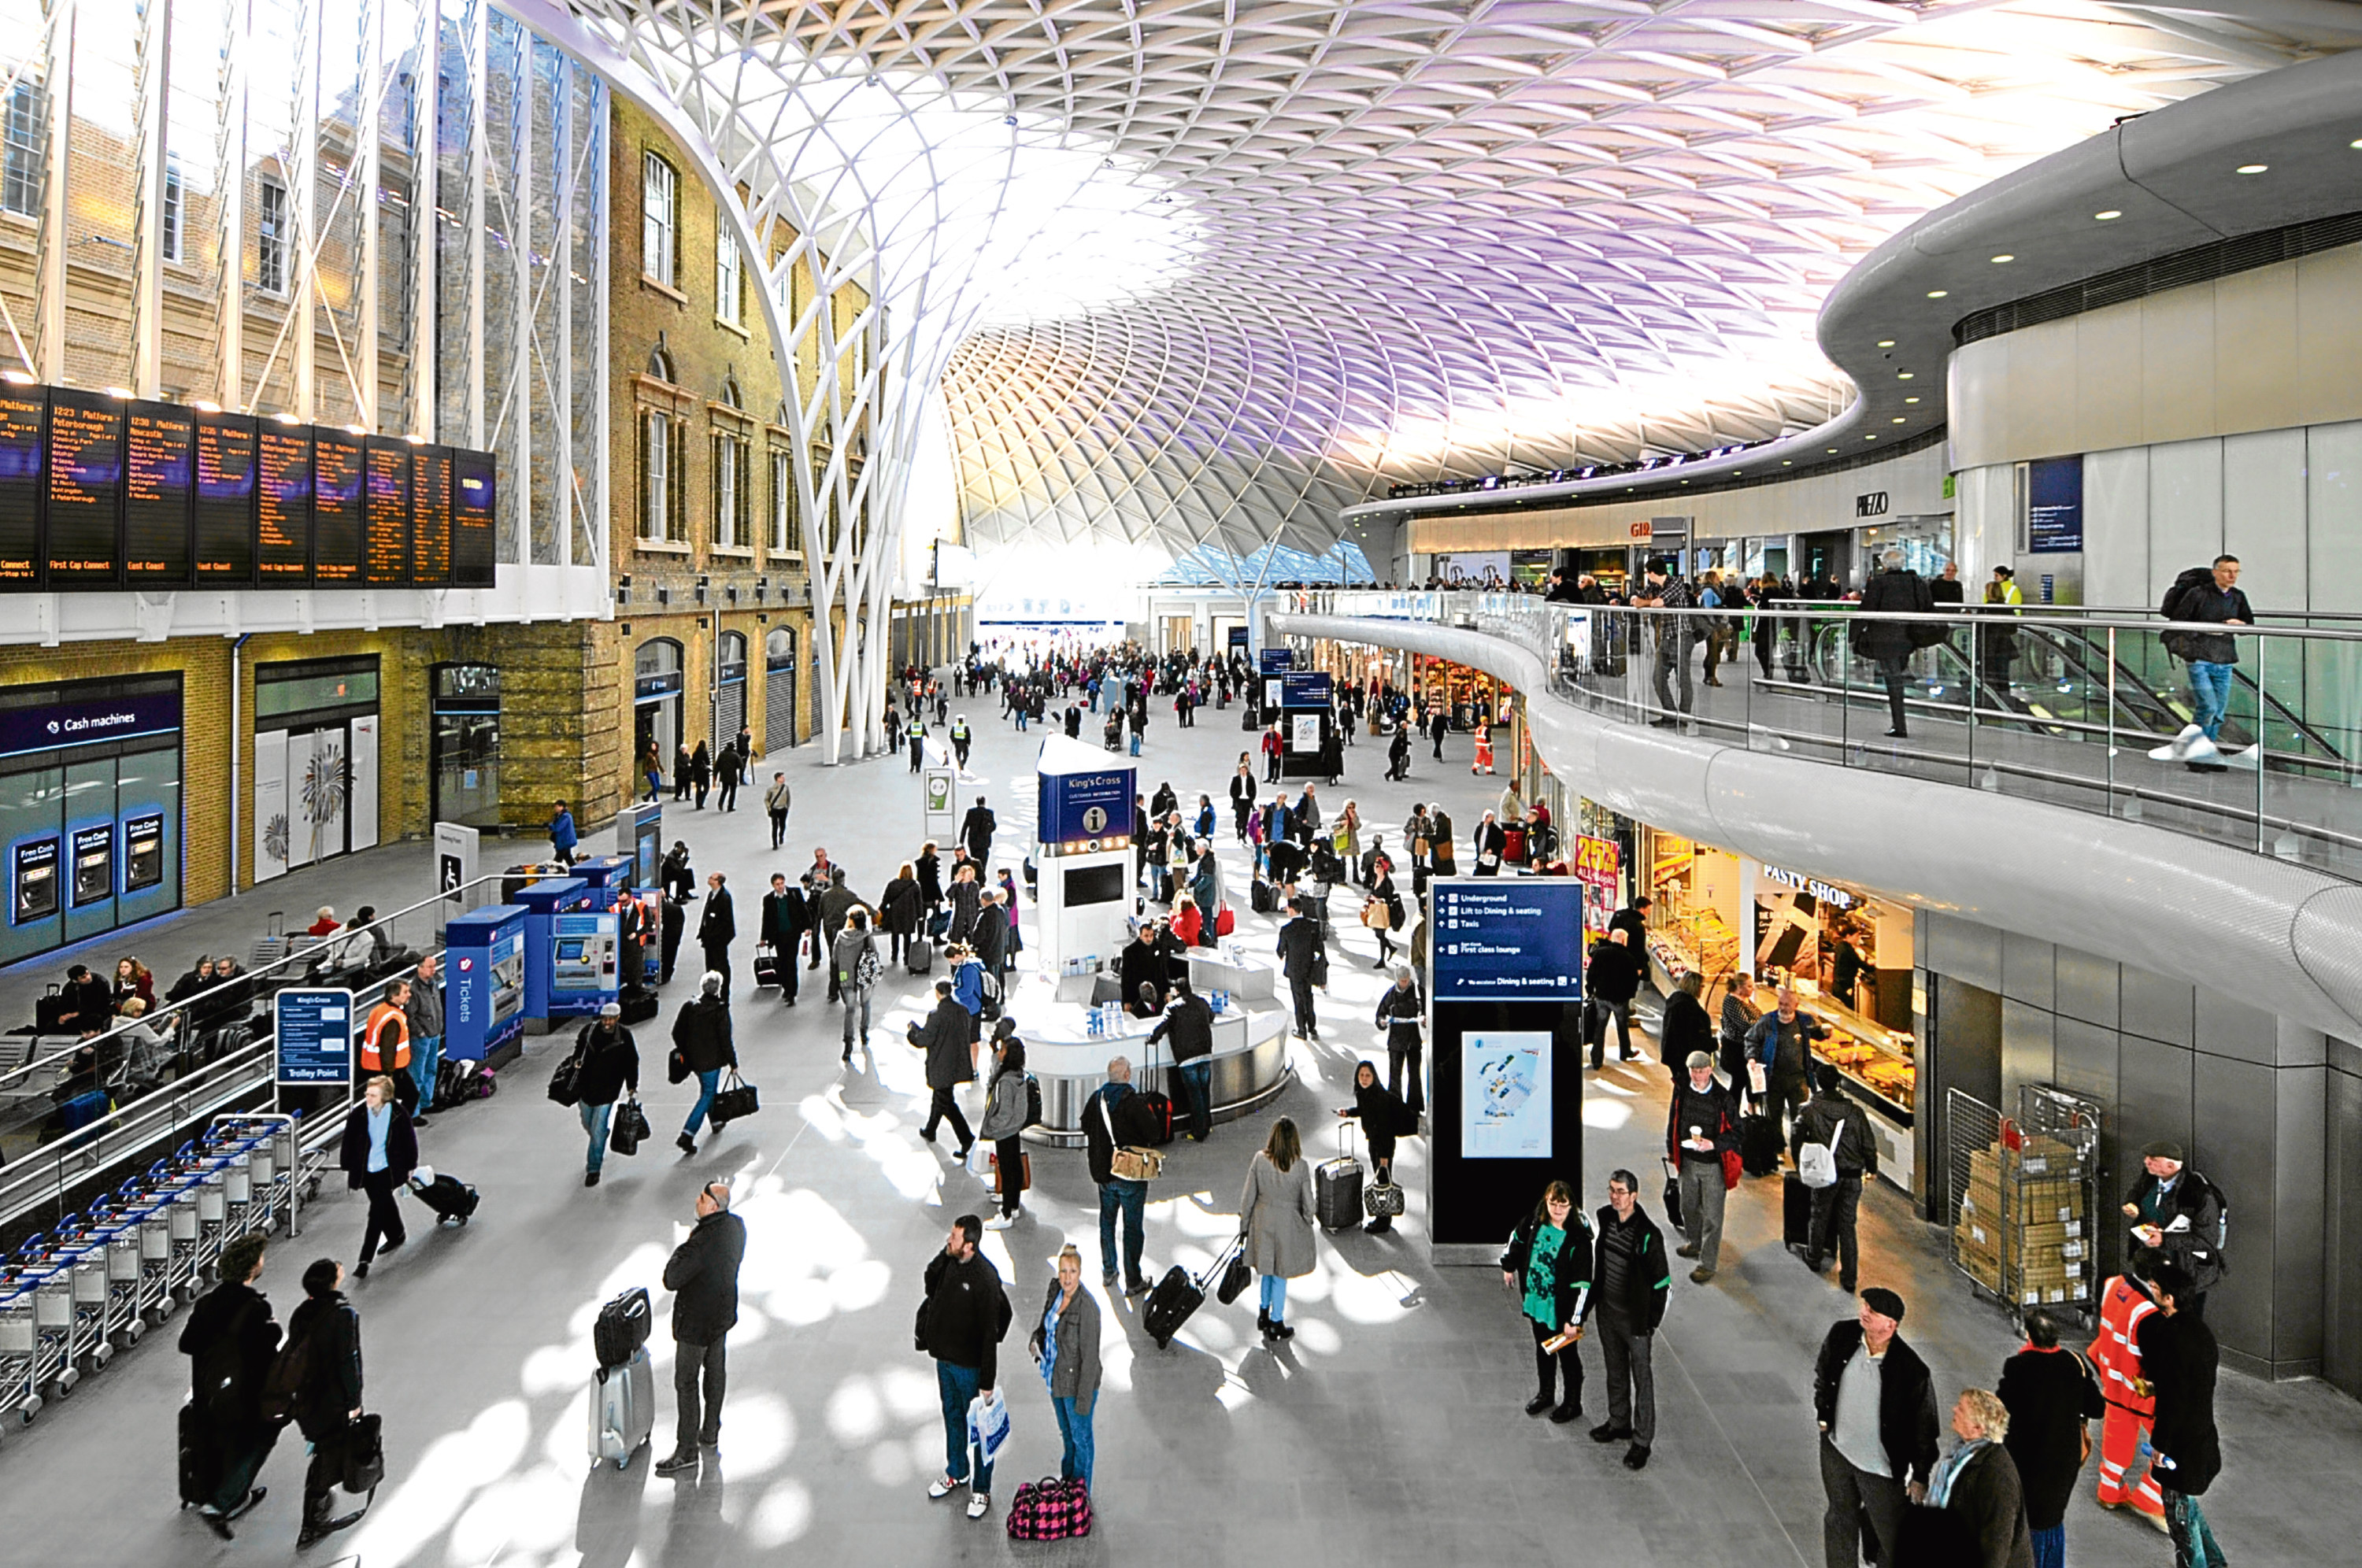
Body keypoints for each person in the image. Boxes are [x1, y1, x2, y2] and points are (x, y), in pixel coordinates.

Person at [1814, 1289, 1939, 1568]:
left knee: (1892, 1537)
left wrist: (1920, 1475)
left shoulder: (1912, 1371)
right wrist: (1823, 1417)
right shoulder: (1842, 1335)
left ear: (1890, 1325)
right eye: (1865, 1306)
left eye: (1872, 1311)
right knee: (1839, 1518)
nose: (1864, 1312)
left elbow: (1925, 1428)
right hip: (1837, 1452)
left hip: (1880, 1471)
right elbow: (1823, 1375)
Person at [179, 1231, 281, 1539]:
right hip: (244, 1393)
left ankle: (211, 1491)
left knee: (217, 1440)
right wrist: (273, 1334)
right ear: (252, 1268)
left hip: (208, 1391)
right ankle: (224, 1503)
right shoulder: (254, 1308)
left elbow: (188, 1343)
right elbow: (265, 1356)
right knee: (263, 1436)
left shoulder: (208, 1303)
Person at [649, 1178, 750, 1477]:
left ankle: (686, 1450)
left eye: (702, 1197)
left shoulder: (699, 1243)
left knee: (687, 1382)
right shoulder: (736, 1227)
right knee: (716, 1372)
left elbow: (672, 1278)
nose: (697, 1200)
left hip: (695, 1324)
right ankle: (710, 1431)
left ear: (712, 1206)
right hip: (721, 1316)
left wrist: (684, 1245)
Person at [919, 1214, 1013, 1521]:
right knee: (952, 1416)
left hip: (970, 1367)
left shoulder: (986, 1278)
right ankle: (957, 1471)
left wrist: (987, 1379)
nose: (949, 1240)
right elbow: (929, 1283)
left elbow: (990, 1333)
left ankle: (981, 1489)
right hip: (945, 1360)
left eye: (955, 1238)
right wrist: (944, 1255)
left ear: (969, 1245)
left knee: (980, 1428)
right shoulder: (949, 1261)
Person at [1999, 1310, 2105, 1568]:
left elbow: (2001, 1409)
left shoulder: (2018, 1367)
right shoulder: (2074, 1363)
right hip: (2063, 1460)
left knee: (2030, 1521)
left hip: (2026, 1460)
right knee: (2052, 1518)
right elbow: (2097, 1408)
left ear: (2028, 1336)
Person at [1582, 1169, 1669, 1469]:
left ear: (1634, 1195)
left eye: (1620, 1192)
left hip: (1635, 1322)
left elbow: (1662, 1284)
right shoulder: (1606, 1219)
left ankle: (1642, 1441)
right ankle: (1618, 1421)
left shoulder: (1648, 1235)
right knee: (1615, 1371)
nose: (1614, 1197)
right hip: (1608, 1313)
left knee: (1642, 1380)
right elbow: (1600, 1268)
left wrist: (1650, 1324)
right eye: (1611, 1190)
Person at [2140, 1262, 2225, 1568]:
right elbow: (2189, 1385)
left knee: (2181, 1525)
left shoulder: (2172, 1339)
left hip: (2181, 1450)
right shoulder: (2201, 1332)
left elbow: (2174, 1402)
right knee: (2188, 1509)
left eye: (2154, 1289)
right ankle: (2216, 1562)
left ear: (2169, 1298)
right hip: (2202, 1438)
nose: (2150, 1292)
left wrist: (2160, 1446)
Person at [1908, 1389, 2036, 1568]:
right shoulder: (1963, 1452)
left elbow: (1996, 1549)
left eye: (1961, 1409)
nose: (1954, 1410)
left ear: (1977, 1428)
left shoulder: (1996, 1476)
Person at [287, 1258, 366, 1548]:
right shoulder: (343, 1315)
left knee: (323, 1446)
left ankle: (319, 1501)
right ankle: (312, 1520)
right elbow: (349, 1361)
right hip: (332, 1398)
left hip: (306, 1397)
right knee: (329, 1454)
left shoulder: (300, 1314)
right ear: (333, 1281)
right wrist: (355, 1400)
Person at [1499, 1179, 1590, 1423]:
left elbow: (1582, 1285)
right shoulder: (1533, 1222)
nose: (1557, 1210)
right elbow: (1515, 1240)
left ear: (1571, 1206)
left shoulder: (1578, 1240)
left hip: (1563, 1312)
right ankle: (1546, 1394)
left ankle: (1573, 1403)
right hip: (1538, 1303)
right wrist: (1508, 1266)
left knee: (1568, 1356)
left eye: (1563, 1205)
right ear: (1546, 1202)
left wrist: (1575, 1319)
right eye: (1553, 1204)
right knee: (1544, 1348)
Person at [2088, 1267, 2168, 1528]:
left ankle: (2110, 1492)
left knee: (2117, 1439)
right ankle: (2149, 1497)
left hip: (2113, 1379)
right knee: (2172, 1439)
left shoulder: (2113, 1284)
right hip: (2140, 1390)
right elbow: (2156, 1362)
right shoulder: (2148, 1314)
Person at [1794, 1063, 1878, 1294]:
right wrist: (1872, 1168)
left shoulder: (1809, 1110)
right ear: (1839, 1083)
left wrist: (1800, 1164)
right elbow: (1868, 1145)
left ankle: (1814, 1256)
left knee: (1819, 1215)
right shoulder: (1855, 1112)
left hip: (1824, 1173)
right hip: (1852, 1175)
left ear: (1819, 1083)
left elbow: (1796, 1136)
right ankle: (1849, 1277)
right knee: (1847, 1225)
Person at [2121, 1141, 2226, 1321]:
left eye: (2153, 1159)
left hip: (2185, 1273)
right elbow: (2136, 1192)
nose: (2146, 1162)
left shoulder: (2198, 1195)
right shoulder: (2149, 1178)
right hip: (2153, 1269)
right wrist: (2132, 1204)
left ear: (2170, 1165)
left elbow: (2206, 1241)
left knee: (2183, 1326)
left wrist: (2164, 1240)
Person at [1028, 1244, 1102, 1493]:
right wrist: (1036, 1339)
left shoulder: (1088, 1309)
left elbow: (1090, 1361)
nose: (1066, 1278)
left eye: (1072, 1272)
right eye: (1063, 1271)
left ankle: (1081, 1494)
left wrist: (1083, 1403)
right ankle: (1068, 1483)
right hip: (1054, 1378)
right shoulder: (1055, 1292)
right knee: (1067, 1435)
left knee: (1081, 1438)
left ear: (1080, 1273)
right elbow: (1045, 1324)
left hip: (1076, 1385)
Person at [2168, 554, 2252, 766]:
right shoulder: (2198, 594)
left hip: (2225, 659)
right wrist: (2205, 630)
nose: (2232, 576)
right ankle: (2195, 753)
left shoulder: (2238, 597)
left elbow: (2249, 624)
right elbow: (2179, 622)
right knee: (2208, 707)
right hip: (2200, 658)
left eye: (2236, 571)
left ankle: (2207, 753)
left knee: (2218, 711)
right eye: (2227, 571)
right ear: (2215, 572)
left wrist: (2239, 625)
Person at [1239, 1117, 1317, 1343]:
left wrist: (1244, 1226)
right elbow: (1308, 1203)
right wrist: (1308, 1220)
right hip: (1287, 1223)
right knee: (1281, 1275)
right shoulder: (1300, 1166)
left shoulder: (1259, 1160)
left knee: (1267, 1269)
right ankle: (1276, 1321)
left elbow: (1248, 1197)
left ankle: (1263, 1313)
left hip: (1262, 1220)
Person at [1667, 1052, 1739, 1282]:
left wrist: (1714, 1145)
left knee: (1713, 1217)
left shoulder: (1723, 1098)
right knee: (1687, 1207)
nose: (1697, 1076)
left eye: (1701, 1071)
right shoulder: (1682, 1091)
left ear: (1711, 1069)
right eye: (1693, 1071)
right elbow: (1673, 1120)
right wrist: (1671, 1147)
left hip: (1713, 1166)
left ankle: (1707, 1264)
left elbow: (1738, 1133)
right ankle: (1695, 1242)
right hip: (1688, 1162)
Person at [1083, 1056, 1151, 1295]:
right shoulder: (1132, 1101)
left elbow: (1085, 1126)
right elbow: (1153, 1129)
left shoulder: (1096, 1099)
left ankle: (1109, 1269)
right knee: (1132, 1227)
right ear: (1126, 1076)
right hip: (1130, 1174)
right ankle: (1133, 1280)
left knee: (1107, 1221)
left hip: (1103, 1172)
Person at [339, 1074, 415, 1278]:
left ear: (386, 1096)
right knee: (383, 1203)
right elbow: (349, 1140)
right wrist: (346, 1164)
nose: (368, 1098)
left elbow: (409, 1140)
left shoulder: (398, 1114)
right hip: (366, 1169)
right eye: (367, 1094)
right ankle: (396, 1233)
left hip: (387, 1169)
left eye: (373, 1094)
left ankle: (364, 1259)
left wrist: (410, 1165)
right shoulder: (359, 1114)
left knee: (376, 1212)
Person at [1853, 550, 1934, 739]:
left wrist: (1853, 633)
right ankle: (1899, 722)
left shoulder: (1879, 583)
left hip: (1884, 640)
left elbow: (1867, 609)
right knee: (1898, 677)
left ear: (1885, 565)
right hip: (1909, 639)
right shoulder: (1916, 582)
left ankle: (1900, 725)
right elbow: (1927, 606)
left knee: (1893, 681)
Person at [1748, 985, 1830, 1147]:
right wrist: (1751, 1057)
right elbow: (1752, 1040)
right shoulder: (1767, 1021)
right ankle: (1777, 1148)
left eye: (1787, 1004)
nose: (1783, 1008)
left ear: (1796, 1006)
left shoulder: (1804, 1021)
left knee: (1800, 1116)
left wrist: (1826, 1031)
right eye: (1781, 1004)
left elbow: (1819, 1033)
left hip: (1798, 1080)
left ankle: (1798, 1148)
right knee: (1773, 1116)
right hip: (1773, 1078)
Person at [572, 1001, 640, 1187]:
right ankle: (600, 1136)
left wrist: (632, 1085)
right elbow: (579, 1049)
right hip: (586, 1086)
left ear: (618, 1018)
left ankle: (593, 1169)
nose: (607, 1022)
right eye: (604, 1018)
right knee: (588, 1122)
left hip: (609, 1089)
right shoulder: (589, 1031)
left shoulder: (624, 1036)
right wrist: (577, 1060)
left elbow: (631, 1062)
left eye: (611, 1019)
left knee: (598, 1128)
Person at [1336, 1061, 1408, 1235]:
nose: (1364, 1079)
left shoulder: (1379, 1097)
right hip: (1373, 1141)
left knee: (1383, 1182)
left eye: (1368, 1075)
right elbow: (1364, 1110)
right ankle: (1383, 1216)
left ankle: (1383, 1220)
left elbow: (1386, 1128)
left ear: (1374, 1077)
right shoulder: (1364, 1094)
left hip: (1382, 1145)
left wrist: (1384, 1155)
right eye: (1361, 1075)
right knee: (1381, 1180)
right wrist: (1349, 1112)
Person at [671, 973, 737, 1155]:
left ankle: (715, 1121)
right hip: (712, 1061)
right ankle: (688, 1133)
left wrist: (686, 1050)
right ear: (718, 988)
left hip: (693, 1060)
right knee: (707, 1094)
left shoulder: (690, 1006)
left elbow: (676, 1032)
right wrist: (733, 1061)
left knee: (708, 1090)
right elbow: (725, 1039)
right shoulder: (719, 1010)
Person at [910, 978, 977, 1155]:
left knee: (947, 1103)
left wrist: (913, 1032)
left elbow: (924, 1040)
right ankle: (930, 1130)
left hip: (941, 1065)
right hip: (958, 1062)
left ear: (938, 994)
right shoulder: (963, 1011)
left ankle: (967, 1139)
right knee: (941, 1097)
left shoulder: (936, 1015)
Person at [976, 1023, 1032, 1230]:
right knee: (1014, 1167)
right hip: (1014, 1129)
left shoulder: (1006, 1082)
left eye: (1002, 1050)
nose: (999, 1053)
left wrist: (991, 1125)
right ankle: (1013, 1204)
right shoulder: (1018, 1076)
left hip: (1004, 1130)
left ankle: (1006, 1213)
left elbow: (1004, 1111)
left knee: (1008, 1170)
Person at [1632, 558, 1700, 726]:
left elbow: (1657, 602)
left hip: (1681, 636)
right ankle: (1670, 714)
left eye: (1648, 573)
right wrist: (1649, 603)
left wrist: (1648, 604)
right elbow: (1635, 600)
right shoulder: (1655, 587)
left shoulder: (1675, 583)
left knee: (1683, 679)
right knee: (1658, 678)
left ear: (1652, 573)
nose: (1647, 577)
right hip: (1665, 637)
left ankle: (1683, 718)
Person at [1148, 979, 1215, 1142]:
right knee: (1204, 1091)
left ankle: (1199, 1132)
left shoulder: (1172, 1007)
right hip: (1205, 1053)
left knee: (1195, 1095)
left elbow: (1161, 1026)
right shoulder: (1201, 1002)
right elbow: (1211, 1017)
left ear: (1176, 991)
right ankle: (1207, 1125)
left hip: (1187, 1057)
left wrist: (1152, 1039)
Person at [1585, 929, 1642, 1068]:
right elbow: (1633, 981)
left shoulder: (1600, 953)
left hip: (1602, 996)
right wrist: (1629, 996)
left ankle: (1597, 1059)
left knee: (1600, 1027)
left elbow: (1591, 973)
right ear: (1624, 940)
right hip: (1619, 999)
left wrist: (1590, 990)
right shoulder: (1628, 957)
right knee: (1622, 1026)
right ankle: (1625, 1052)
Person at [1375, 967, 1425, 1117]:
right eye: (1402, 981)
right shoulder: (1391, 994)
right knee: (1395, 1074)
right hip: (1396, 1041)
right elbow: (1380, 1013)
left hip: (1413, 1040)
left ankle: (1414, 1107)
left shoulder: (1418, 992)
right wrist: (1382, 1022)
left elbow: (1427, 1010)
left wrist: (1425, 1020)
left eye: (1407, 980)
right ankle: (1395, 1105)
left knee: (1414, 1074)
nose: (1405, 983)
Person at [833, 908, 880, 1060]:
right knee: (865, 1004)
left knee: (849, 1009)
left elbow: (835, 958)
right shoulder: (867, 937)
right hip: (864, 977)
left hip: (846, 976)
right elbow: (875, 954)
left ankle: (848, 1043)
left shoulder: (841, 937)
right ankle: (864, 1033)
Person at [403, 956, 444, 1115]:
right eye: (429, 967)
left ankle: (427, 1102)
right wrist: (420, 1032)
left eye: (434, 967)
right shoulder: (413, 990)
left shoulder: (434, 985)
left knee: (431, 1069)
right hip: (421, 1037)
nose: (433, 970)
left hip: (434, 1033)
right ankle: (414, 1111)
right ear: (419, 968)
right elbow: (410, 1015)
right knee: (417, 1074)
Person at [1276, 903, 1324, 1042]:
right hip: (1309, 968)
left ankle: (1301, 1029)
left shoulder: (1286, 930)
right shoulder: (1312, 926)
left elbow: (1280, 951)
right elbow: (1319, 948)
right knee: (1308, 996)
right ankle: (1312, 1027)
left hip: (1294, 970)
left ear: (1291, 910)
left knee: (1298, 999)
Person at [759, 872, 805, 1008]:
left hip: (792, 934)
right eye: (777, 884)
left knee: (791, 963)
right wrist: (764, 937)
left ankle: (792, 992)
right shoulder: (768, 899)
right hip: (778, 936)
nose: (780, 887)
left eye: (781, 883)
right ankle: (786, 987)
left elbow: (803, 909)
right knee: (782, 963)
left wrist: (807, 926)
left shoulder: (794, 893)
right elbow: (766, 919)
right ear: (773, 885)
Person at [1719, 972, 1764, 1108]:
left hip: (1747, 1049)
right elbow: (1745, 1025)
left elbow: (1759, 1018)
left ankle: (1751, 1110)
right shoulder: (1732, 1001)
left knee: (1748, 1081)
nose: (1753, 989)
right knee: (1739, 1081)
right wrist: (1762, 1026)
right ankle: (1731, 1113)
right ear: (1739, 987)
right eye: (1749, 986)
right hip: (1736, 1050)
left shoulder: (1746, 1000)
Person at [1658, 970, 1713, 1079]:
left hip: (1674, 1055)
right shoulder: (1689, 1008)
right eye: (1702, 986)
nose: (1703, 990)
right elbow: (1693, 1037)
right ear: (1695, 987)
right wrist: (1713, 1044)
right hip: (1685, 1058)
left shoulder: (1676, 1001)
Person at [1980, 564, 2024, 695]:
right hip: (2004, 644)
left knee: (1989, 674)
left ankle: (1991, 697)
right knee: (2003, 673)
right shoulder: (2006, 606)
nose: (1995, 577)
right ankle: (2004, 696)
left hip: (1989, 646)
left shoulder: (1986, 609)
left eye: (1997, 575)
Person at [879, 863, 924, 965]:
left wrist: (880, 911)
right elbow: (919, 902)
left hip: (895, 914)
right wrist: (920, 916)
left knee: (895, 935)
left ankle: (894, 955)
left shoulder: (892, 884)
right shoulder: (915, 886)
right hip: (909, 915)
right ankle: (906, 957)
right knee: (907, 936)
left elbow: (886, 900)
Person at [697, 871, 735, 985]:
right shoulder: (712, 894)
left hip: (718, 939)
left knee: (721, 965)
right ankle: (712, 989)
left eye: (712, 878)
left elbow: (726, 921)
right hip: (709, 938)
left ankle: (723, 992)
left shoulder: (724, 898)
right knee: (710, 966)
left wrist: (715, 936)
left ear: (718, 882)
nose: (709, 879)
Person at [961, 794, 997, 868]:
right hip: (984, 842)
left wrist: (961, 841)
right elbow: (993, 826)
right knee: (983, 862)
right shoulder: (989, 813)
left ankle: (975, 875)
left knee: (974, 861)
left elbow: (965, 827)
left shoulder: (971, 812)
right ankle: (982, 876)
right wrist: (987, 831)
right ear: (984, 802)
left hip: (973, 842)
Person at [1230, 760, 1257, 841]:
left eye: (1245, 770)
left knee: (1246, 818)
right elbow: (1232, 790)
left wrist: (1251, 798)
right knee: (1239, 817)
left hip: (1247, 801)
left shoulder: (1251, 778)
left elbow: (1254, 789)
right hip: (1239, 801)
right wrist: (1235, 798)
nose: (1243, 772)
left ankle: (1243, 835)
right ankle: (1238, 831)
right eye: (1241, 770)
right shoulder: (1236, 779)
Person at [764, 771, 791, 849]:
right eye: (781, 777)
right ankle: (775, 843)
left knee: (782, 825)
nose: (783, 778)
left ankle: (781, 836)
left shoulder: (786, 788)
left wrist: (787, 807)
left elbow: (788, 798)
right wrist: (769, 807)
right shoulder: (771, 789)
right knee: (775, 826)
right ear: (777, 779)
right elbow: (766, 799)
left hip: (783, 809)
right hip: (774, 809)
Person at [713, 741, 742, 812]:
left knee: (724, 790)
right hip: (733, 777)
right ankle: (730, 807)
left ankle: (721, 802)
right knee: (733, 792)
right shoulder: (735, 755)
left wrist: (715, 775)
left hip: (724, 776)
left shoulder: (721, 754)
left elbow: (717, 766)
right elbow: (741, 765)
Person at [549, 800, 578, 866]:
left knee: (557, 861)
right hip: (563, 841)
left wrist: (549, 826)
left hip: (564, 841)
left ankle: (552, 873)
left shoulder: (565, 816)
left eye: (556, 807)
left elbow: (558, 828)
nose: (555, 808)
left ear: (562, 807)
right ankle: (576, 871)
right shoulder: (560, 816)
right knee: (568, 858)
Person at [690, 739, 713, 808]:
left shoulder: (695, 753)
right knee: (707, 787)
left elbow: (692, 763)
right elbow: (708, 762)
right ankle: (701, 800)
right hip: (704, 774)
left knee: (698, 789)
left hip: (697, 774)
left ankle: (698, 804)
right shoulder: (705, 752)